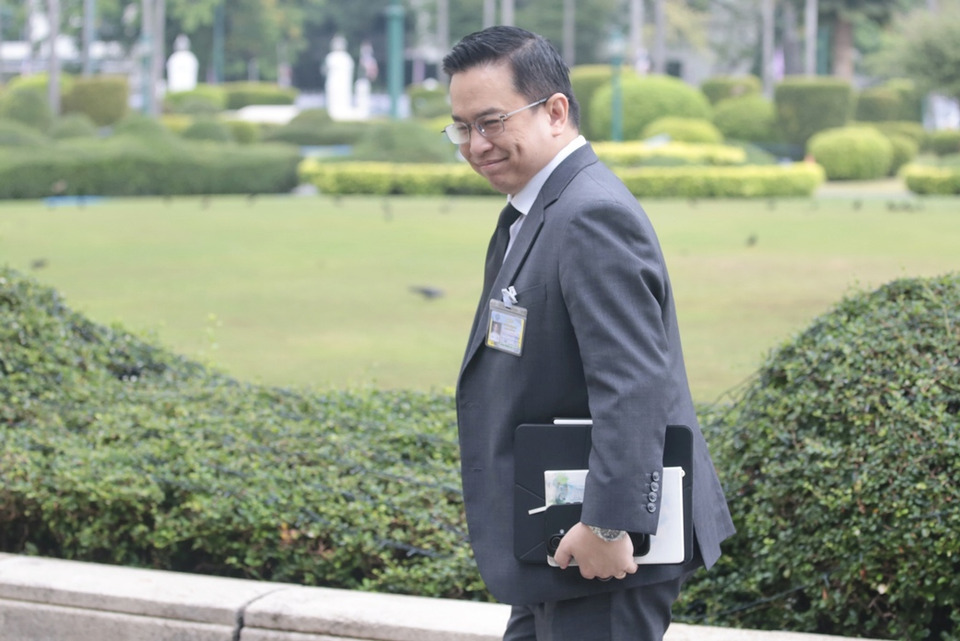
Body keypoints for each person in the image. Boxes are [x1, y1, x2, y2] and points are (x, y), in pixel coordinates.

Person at [443, 26, 735, 640]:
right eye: (461, 127)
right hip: (555, 541)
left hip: (603, 555)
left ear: (555, 112)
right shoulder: (539, 208)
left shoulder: (588, 215)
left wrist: (608, 524)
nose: (475, 145)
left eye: (491, 122)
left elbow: (633, 384)